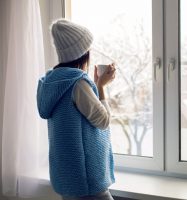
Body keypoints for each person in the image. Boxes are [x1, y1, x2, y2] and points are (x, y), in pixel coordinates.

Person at [36, 19, 116, 200]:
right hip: (87, 179)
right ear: (81, 53)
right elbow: (103, 121)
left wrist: (95, 84)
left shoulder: (50, 82)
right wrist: (101, 86)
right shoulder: (78, 83)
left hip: (68, 179)